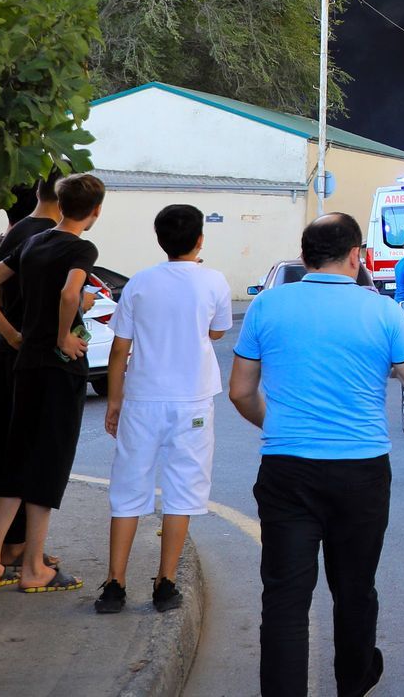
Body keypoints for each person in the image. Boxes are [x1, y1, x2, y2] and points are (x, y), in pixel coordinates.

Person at [230, 213, 404, 697]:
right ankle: (353, 680)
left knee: (284, 597)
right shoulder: (382, 311)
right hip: (361, 473)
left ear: (305, 259)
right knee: (354, 588)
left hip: (286, 470)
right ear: (356, 256)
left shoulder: (267, 306)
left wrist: (279, 426)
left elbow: (241, 392)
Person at [96, 204, 233, 617]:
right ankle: (164, 583)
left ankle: (115, 584)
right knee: (183, 491)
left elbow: (120, 349)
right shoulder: (213, 281)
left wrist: (114, 401)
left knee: (127, 490)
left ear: (160, 240)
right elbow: (217, 330)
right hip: (192, 400)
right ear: (199, 240)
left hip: (141, 399)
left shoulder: (139, 283)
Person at [0, 172, 107, 593]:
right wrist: (65, 334)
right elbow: (70, 293)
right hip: (57, 369)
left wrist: (14, 334)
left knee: (15, 460)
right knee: (47, 466)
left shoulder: (32, 241)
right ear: (96, 211)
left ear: (57, 203)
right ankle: (34, 567)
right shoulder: (81, 247)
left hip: (23, 365)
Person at [0, 177, 61, 560]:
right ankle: (10, 544)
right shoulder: (41, 238)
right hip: (18, 358)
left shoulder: (6, 239)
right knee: (20, 451)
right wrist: (17, 337)